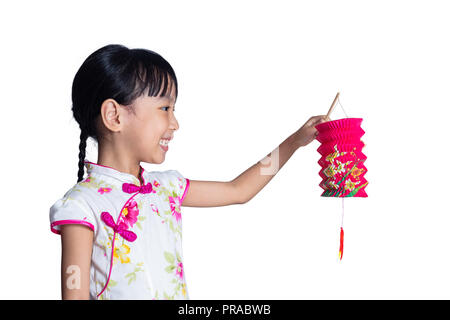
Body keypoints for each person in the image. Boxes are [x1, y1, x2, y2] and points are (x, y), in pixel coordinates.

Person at [49, 43, 327, 300]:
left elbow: (239, 190)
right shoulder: (81, 206)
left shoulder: (167, 187)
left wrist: (293, 142)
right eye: (165, 108)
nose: (175, 123)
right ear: (114, 115)